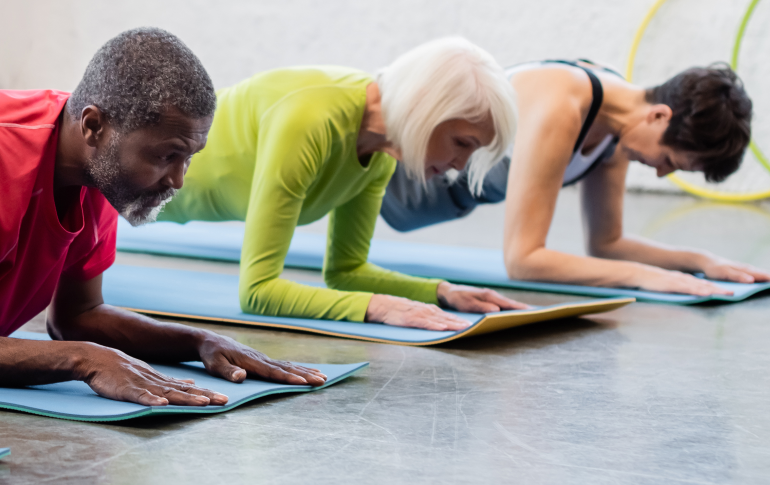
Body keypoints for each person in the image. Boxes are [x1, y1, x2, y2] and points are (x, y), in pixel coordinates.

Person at [0, 28, 326, 408]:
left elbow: (77, 315)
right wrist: (83, 359)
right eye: (165, 156)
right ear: (94, 127)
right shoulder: (10, 158)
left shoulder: (97, 171)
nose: (177, 180)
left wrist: (197, 342)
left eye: (188, 158)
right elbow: (77, 340)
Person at [159, 37, 527, 332]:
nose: (458, 166)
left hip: (149, 208)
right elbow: (258, 292)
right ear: (428, 110)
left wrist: (442, 292)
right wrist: (378, 307)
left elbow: (346, 270)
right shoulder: (311, 119)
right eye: (462, 143)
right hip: (118, 189)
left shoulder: (381, 153)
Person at [380, 60, 770, 295]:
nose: (663, 172)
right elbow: (523, 260)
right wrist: (643, 277)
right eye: (670, 159)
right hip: (389, 174)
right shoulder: (563, 105)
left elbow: (607, 243)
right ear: (658, 116)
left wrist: (700, 261)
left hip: (423, 203)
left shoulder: (620, 129)